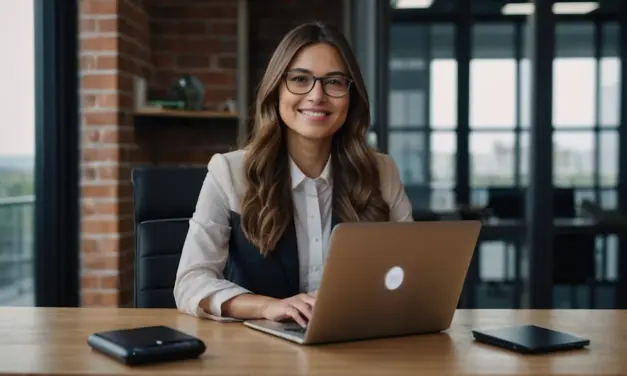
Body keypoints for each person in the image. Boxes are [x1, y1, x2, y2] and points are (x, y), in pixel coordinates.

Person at [174, 21, 413, 327]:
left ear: (352, 96)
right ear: (276, 90)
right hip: (256, 353)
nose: (316, 96)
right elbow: (191, 281)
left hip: (356, 345)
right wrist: (266, 307)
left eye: (335, 82)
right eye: (300, 79)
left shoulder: (381, 172)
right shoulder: (229, 171)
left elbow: (411, 272)